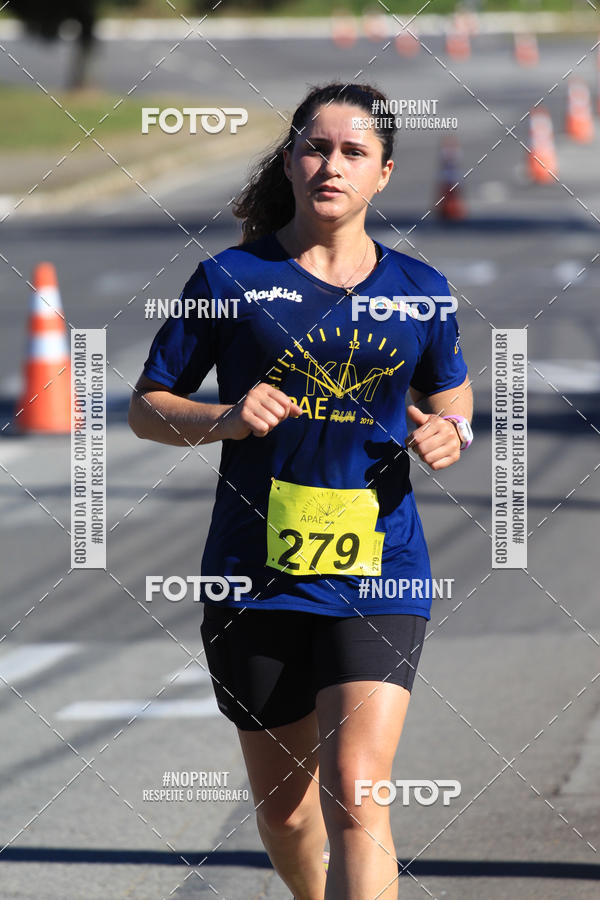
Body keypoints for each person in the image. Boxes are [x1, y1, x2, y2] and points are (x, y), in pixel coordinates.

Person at [129, 82, 473, 900]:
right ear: (289, 161)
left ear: (384, 173)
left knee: (357, 791)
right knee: (286, 815)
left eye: (355, 152)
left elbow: (451, 390)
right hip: (255, 573)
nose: (332, 164)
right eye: (316, 147)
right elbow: (148, 407)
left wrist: (449, 431)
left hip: (381, 568)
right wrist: (223, 417)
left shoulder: (420, 287)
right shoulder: (230, 277)